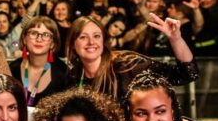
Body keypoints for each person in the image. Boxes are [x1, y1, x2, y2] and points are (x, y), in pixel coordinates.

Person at [66, 15, 199, 102]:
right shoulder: (73, 74)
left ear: (104, 40)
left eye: (96, 36)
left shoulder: (127, 64)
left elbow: (188, 74)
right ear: (72, 44)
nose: (91, 42)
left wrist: (175, 39)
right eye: (83, 37)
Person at [8, 16, 68, 105]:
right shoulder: (12, 69)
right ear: (24, 39)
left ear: (53, 43)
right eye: (33, 33)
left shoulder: (64, 72)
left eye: (46, 35)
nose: (39, 39)